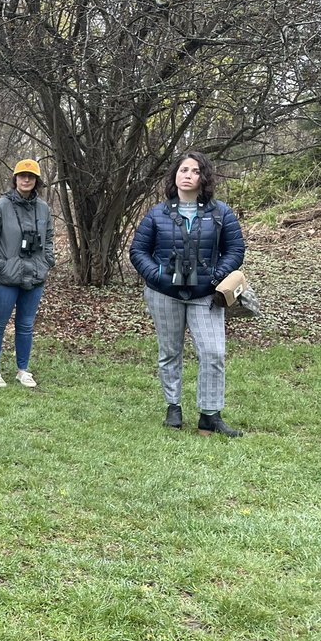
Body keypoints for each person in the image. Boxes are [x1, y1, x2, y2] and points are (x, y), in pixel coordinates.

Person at [129, 151, 246, 436]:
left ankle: (210, 415)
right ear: (175, 176)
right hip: (163, 293)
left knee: (213, 352)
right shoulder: (157, 213)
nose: (187, 175)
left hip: (205, 293)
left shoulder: (221, 213)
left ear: (203, 177)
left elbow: (235, 250)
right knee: (170, 352)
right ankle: (173, 408)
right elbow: (138, 251)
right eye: (183, 170)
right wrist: (157, 275)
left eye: (194, 171)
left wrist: (217, 275)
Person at [0, 158, 55, 388]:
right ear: (15, 178)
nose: (26, 180)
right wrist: (0, 266)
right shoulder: (0, 206)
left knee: (26, 325)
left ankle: (23, 370)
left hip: (35, 276)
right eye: (22, 175)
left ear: (37, 181)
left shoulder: (43, 208)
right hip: (5, 278)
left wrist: (46, 261)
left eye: (31, 177)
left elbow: (49, 239)